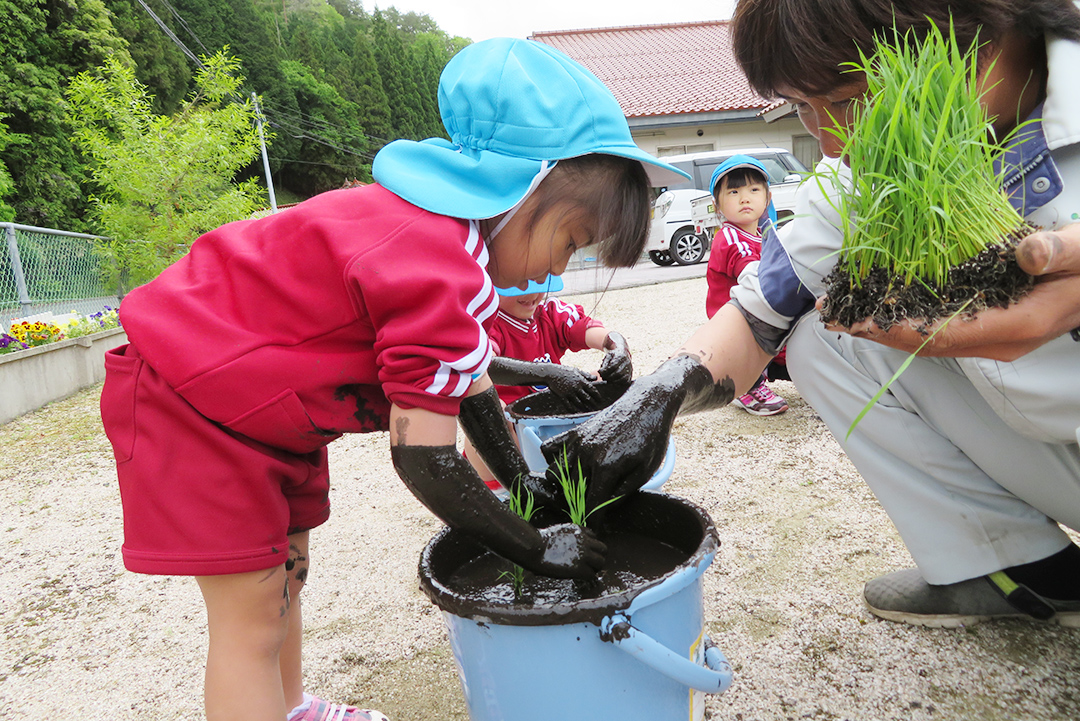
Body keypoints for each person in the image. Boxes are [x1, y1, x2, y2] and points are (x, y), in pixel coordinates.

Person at [98, 38, 688, 721]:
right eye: (568, 240)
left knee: (286, 575)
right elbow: (424, 457)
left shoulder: (445, 240)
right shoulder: (438, 259)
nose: (550, 270)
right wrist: (534, 544)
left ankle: (291, 706)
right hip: (193, 400)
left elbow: (465, 379)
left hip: (256, 412)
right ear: (527, 189)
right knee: (250, 617)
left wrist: (526, 483)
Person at [542, 0, 1080, 630]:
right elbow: (759, 313)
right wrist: (653, 403)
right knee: (823, 337)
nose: (830, 142)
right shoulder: (865, 173)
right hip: (1051, 450)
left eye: (850, 99)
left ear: (975, 34)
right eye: (801, 107)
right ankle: (1013, 568)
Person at [463, 274, 633, 492]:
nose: (532, 294)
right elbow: (484, 363)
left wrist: (616, 346)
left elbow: (591, 331)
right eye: (517, 285)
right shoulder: (489, 324)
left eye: (539, 283)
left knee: (600, 380)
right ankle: (507, 489)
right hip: (506, 446)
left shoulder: (549, 313)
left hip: (549, 428)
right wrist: (547, 373)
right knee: (495, 411)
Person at [704, 155, 788, 416]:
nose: (745, 198)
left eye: (754, 190)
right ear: (718, 205)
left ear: (767, 198)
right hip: (737, 324)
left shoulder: (764, 235)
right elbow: (751, 274)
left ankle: (776, 367)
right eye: (733, 191)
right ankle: (747, 386)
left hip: (759, 314)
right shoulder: (730, 236)